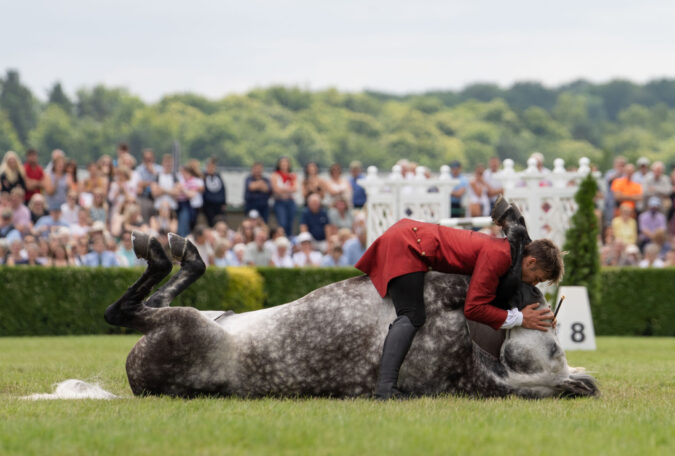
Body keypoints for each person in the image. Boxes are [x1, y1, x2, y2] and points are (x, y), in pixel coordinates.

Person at [356, 204, 563, 399]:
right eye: (537, 278)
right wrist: (519, 318)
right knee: (412, 316)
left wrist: (539, 316)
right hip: (407, 244)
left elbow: (500, 296)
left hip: (408, 236)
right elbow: (474, 309)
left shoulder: (508, 255)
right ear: (531, 261)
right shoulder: (499, 256)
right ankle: (384, 389)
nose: (533, 283)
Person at [270, 157, 298, 236]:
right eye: (282, 163)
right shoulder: (275, 175)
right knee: (282, 223)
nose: (284, 165)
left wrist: (282, 190)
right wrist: (288, 190)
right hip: (280, 202)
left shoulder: (292, 175)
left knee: (290, 223)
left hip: (290, 202)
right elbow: (276, 189)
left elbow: (295, 188)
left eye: (286, 163)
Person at [135, 149, 162, 222]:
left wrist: (153, 172)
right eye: (146, 159)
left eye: (150, 159)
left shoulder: (159, 169)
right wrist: (150, 183)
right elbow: (139, 183)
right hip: (144, 195)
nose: (148, 161)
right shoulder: (139, 169)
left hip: (158, 195)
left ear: (153, 158)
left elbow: (162, 182)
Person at [202, 157, 227, 227]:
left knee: (221, 221)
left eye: (213, 167)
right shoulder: (203, 176)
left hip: (219, 204)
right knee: (211, 222)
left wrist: (224, 202)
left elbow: (223, 189)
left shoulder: (218, 176)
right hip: (209, 204)